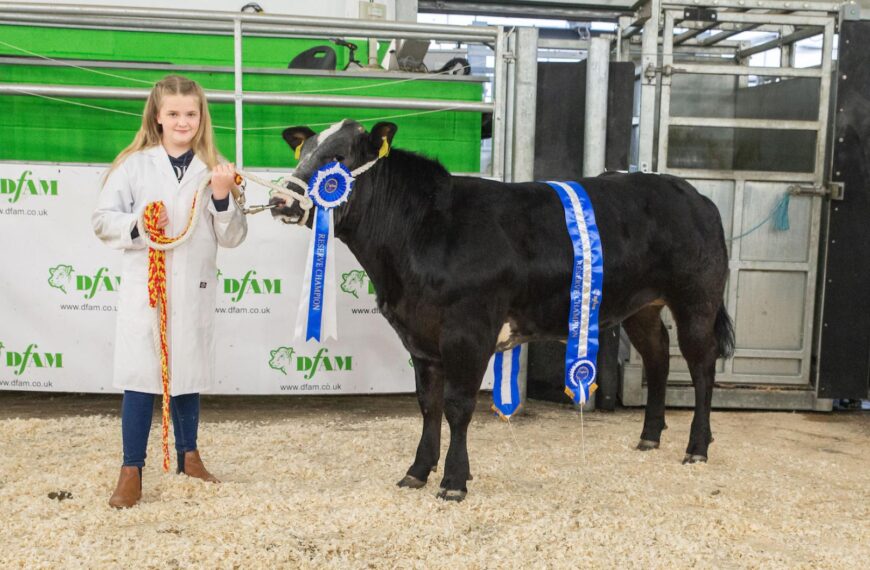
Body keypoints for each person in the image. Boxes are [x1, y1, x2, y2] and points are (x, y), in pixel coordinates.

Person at [92, 75, 247, 508]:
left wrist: (221, 197)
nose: (183, 121)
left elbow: (233, 236)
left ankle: (189, 455)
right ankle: (130, 469)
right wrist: (140, 224)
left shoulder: (215, 168)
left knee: (187, 374)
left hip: (192, 290)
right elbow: (103, 219)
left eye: (191, 114)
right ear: (158, 116)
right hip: (148, 291)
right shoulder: (135, 165)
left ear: (202, 118)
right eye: (174, 113)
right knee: (141, 378)